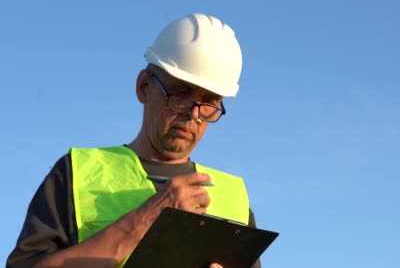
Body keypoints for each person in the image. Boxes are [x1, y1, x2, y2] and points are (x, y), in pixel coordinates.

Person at [7, 13, 261, 268]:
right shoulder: (77, 173)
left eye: (209, 103)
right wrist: (143, 220)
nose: (193, 115)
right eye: (180, 94)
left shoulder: (234, 199)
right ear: (144, 86)